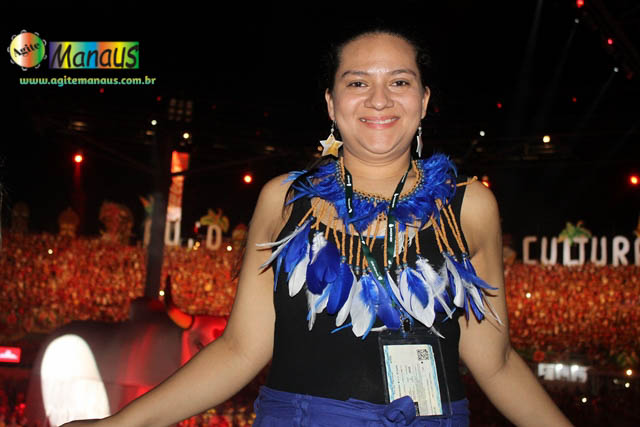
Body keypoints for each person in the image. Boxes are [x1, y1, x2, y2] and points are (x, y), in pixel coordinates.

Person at [62, 25, 572, 427]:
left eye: (399, 82)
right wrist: (122, 424)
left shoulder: (470, 206)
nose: (378, 99)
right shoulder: (284, 199)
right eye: (357, 82)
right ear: (331, 103)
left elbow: (495, 363)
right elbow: (240, 350)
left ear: (423, 101)